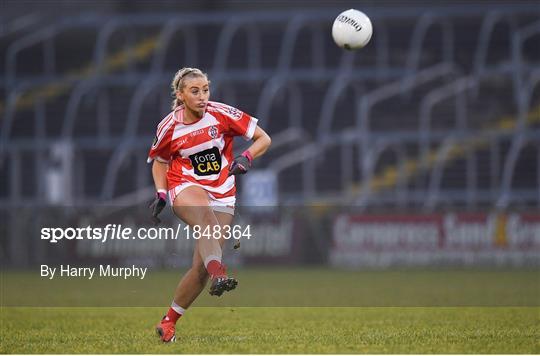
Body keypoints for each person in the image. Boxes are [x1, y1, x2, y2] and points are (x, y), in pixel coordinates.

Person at [147, 67, 271, 343]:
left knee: (200, 268)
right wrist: (161, 193)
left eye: (205, 89)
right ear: (180, 95)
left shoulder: (222, 113)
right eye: (195, 91)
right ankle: (221, 274)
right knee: (206, 222)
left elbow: (264, 138)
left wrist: (246, 157)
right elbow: (160, 162)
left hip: (223, 191)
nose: (202, 96)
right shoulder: (169, 126)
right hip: (186, 185)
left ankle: (168, 322)